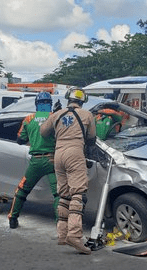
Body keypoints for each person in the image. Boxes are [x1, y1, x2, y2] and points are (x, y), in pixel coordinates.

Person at [40, 87, 96, 255]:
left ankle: (63, 234)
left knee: (64, 194)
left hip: (59, 154)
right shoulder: (87, 115)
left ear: (68, 99)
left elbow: (43, 132)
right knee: (78, 194)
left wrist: (55, 118)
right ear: (82, 100)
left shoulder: (57, 114)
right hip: (74, 152)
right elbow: (92, 138)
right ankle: (75, 235)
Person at [7, 92, 59, 229]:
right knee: (58, 193)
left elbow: (20, 140)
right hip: (52, 161)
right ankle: (61, 225)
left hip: (35, 162)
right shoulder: (55, 117)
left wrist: (33, 137)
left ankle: (13, 218)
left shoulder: (29, 119)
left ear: (37, 104)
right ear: (50, 104)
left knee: (22, 190)